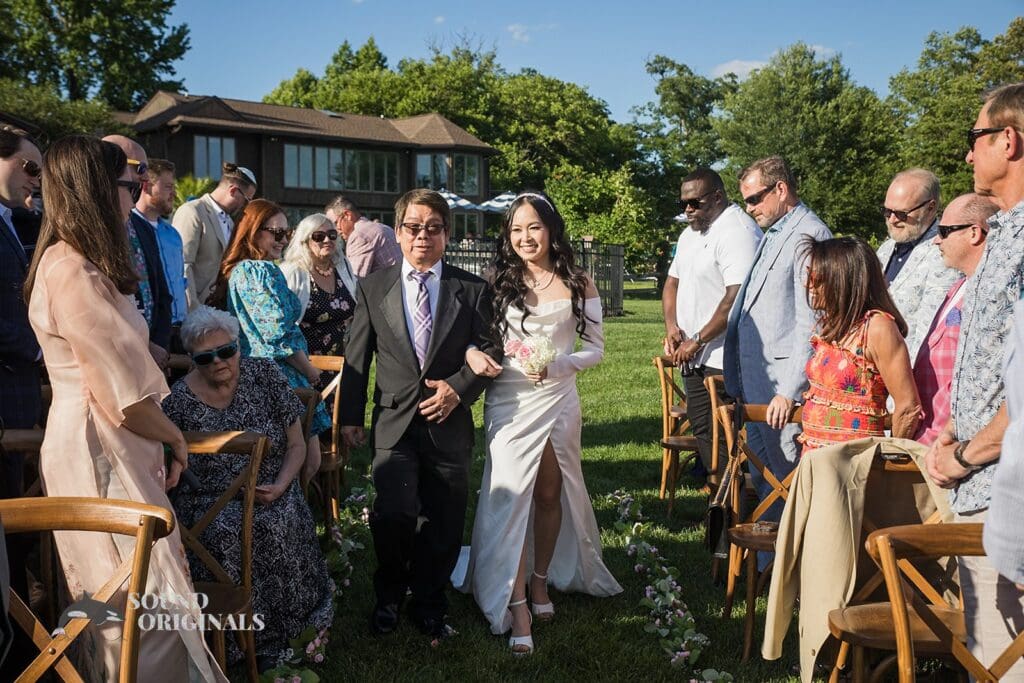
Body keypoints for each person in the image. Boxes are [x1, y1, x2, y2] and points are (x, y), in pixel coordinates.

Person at [25, 135, 223, 681]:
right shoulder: (72, 270)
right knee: (131, 595)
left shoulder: (77, 263)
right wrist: (177, 438)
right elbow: (124, 398)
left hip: (108, 433)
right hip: (99, 441)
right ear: (94, 190)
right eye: (126, 184)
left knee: (136, 588)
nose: (134, 194)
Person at [460, 191, 622, 655]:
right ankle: (514, 604)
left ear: (551, 230)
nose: (524, 237)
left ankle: (540, 579)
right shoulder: (496, 280)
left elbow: (595, 347)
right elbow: (479, 340)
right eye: (515, 229)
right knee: (510, 499)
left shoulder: (579, 281)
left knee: (550, 492)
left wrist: (558, 366)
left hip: (558, 396)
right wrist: (476, 355)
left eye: (533, 227)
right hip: (509, 403)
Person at [339, 188, 496, 644]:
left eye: (433, 228)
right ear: (398, 231)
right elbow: (357, 358)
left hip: (449, 422)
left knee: (444, 520)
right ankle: (388, 595)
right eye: (412, 227)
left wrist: (459, 389)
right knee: (393, 514)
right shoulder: (374, 286)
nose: (422, 236)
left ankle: (429, 601)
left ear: (447, 233)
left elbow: (489, 352)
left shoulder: (470, 289)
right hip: (393, 421)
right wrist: (350, 416)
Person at [162, 306, 334, 671]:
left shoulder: (265, 375)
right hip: (208, 501)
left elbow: (297, 445)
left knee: (276, 519)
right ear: (193, 360)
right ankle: (236, 640)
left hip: (273, 485)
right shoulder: (176, 400)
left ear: (240, 347)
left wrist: (283, 483)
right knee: (223, 531)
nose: (220, 362)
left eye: (228, 351)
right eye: (207, 357)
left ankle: (288, 631)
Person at [926, 82, 1024, 678]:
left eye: (976, 138)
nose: (968, 154)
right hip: (982, 479)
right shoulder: (1008, 231)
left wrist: (967, 454)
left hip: (1002, 480)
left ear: (1008, 140)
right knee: (984, 653)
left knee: (1002, 661)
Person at [723, 156, 832, 526]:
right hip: (756, 387)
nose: (749, 209)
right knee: (765, 479)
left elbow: (812, 322)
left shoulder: (809, 234)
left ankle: (794, 571)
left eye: (755, 199)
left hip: (784, 395)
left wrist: (790, 390)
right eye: (746, 201)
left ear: (781, 189)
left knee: (789, 482)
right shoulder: (776, 232)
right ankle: (770, 569)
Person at [212, 198, 328, 488]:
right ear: (254, 231)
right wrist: (309, 370)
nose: (283, 240)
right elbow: (275, 333)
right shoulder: (254, 271)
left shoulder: (255, 270)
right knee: (296, 463)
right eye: (277, 233)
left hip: (273, 375)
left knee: (303, 461)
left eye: (286, 233)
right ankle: (283, 526)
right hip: (275, 377)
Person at [662, 167, 761, 479]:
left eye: (695, 203)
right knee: (705, 432)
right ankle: (717, 508)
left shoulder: (737, 232)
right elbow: (671, 284)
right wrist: (672, 327)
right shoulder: (689, 235)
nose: (688, 210)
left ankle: (736, 512)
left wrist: (698, 340)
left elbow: (735, 298)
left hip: (723, 356)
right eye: (683, 204)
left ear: (718, 197)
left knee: (727, 436)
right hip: (695, 355)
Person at [799, 237, 922, 453]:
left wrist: (888, 458)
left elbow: (908, 408)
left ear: (841, 280)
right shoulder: (835, 323)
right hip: (816, 459)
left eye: (817, 278)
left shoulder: (877, 327)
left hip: (853, 465)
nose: (808, 285)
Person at [912, 194, 997, 445]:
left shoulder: (991, 297)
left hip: (956, 446)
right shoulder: (958, 286)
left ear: (974, 233)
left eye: (945, 231)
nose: (936, 240)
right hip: (929, 440)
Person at [103, 134, 173, 365]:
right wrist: (143, 345)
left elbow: (162, 293)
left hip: (153, 357)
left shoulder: (143, 227)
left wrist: (159, 344)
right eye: (140, 168)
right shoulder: (88, 233)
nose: (145, 177)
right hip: (115, 360)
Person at [876, 169, 960, 361]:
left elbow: (929, 335)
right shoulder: (886, 248)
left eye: (902, 214)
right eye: (887, 211)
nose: (892, 220)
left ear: (931, 207)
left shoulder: (944, 253)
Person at [279, 213, 358, 372]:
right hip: (306, 369)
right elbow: (282, 326)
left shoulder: (343, 268)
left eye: (332, 235)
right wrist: (306, 368)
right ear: (305, 241)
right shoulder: (292, 272)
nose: (327, 240)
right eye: (318, 236)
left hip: (344, 365)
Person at [173, 163, 257, 309]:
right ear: (233, 190)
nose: (245, 206)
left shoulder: (230, 222)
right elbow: (183, 265)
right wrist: (193, 309)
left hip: (218, 309)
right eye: (246, 200)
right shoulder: (193, 211)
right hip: (194, 309)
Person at [134, 158, 188, 351]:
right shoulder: (129, 230)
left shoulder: (173, 235)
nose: (173, 193)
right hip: (148, 334)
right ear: (146, 186)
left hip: (179, 334)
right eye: (168, 187)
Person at [325, 195, 401, 277]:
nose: (336, 231)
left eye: (335, 223)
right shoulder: (383, 227)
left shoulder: (359, 235)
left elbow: (353, 280)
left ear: (347, 215)